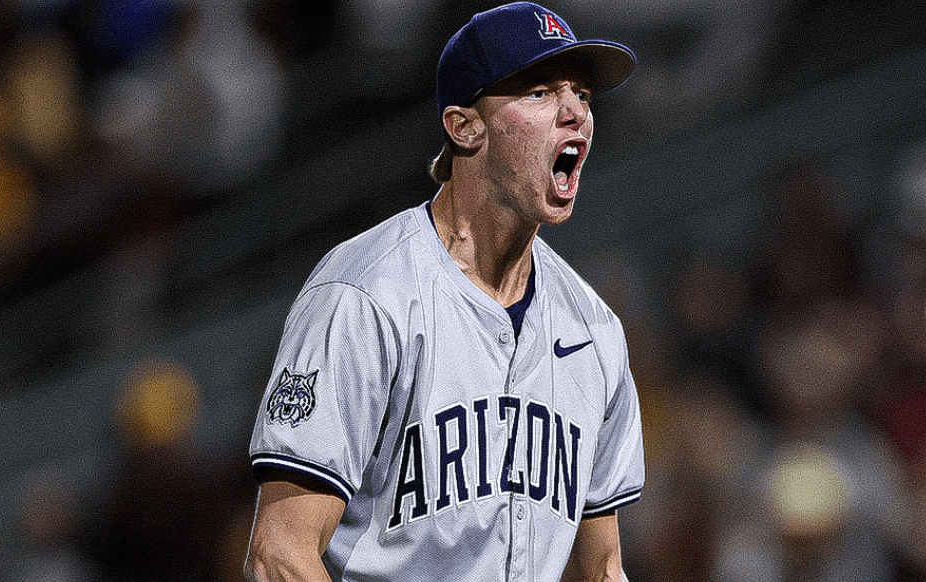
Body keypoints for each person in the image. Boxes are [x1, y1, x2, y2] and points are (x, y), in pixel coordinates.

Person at [244, 3, 645, 581]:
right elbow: (280, 553)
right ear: (464, 127)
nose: (575, 113)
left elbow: (602, 569)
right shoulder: (364, 294)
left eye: (581, 94)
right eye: (539, 92)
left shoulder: (594, 330)